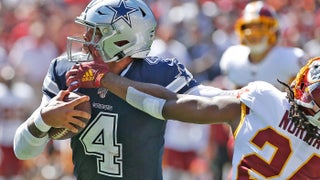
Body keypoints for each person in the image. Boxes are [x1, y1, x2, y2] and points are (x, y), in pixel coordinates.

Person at [12, 0, 212, 179]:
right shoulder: (65, 70)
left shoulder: (161, 73)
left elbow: (206, 106)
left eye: (97, 31)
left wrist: (106, 80)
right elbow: (23, 151)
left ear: (124, 39)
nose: (85, 36)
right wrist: (43, 119)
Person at [64, 54, 320, 179]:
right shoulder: (263, 100)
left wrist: (108, 80)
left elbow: (171, 105)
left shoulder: (263, 99)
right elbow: (174, 104)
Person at [219, 1, 307, 91]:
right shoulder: (232, 57)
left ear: (274, 30)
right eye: (248, 27)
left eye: (260, 26)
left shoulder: (292, 58)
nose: (253, 33)